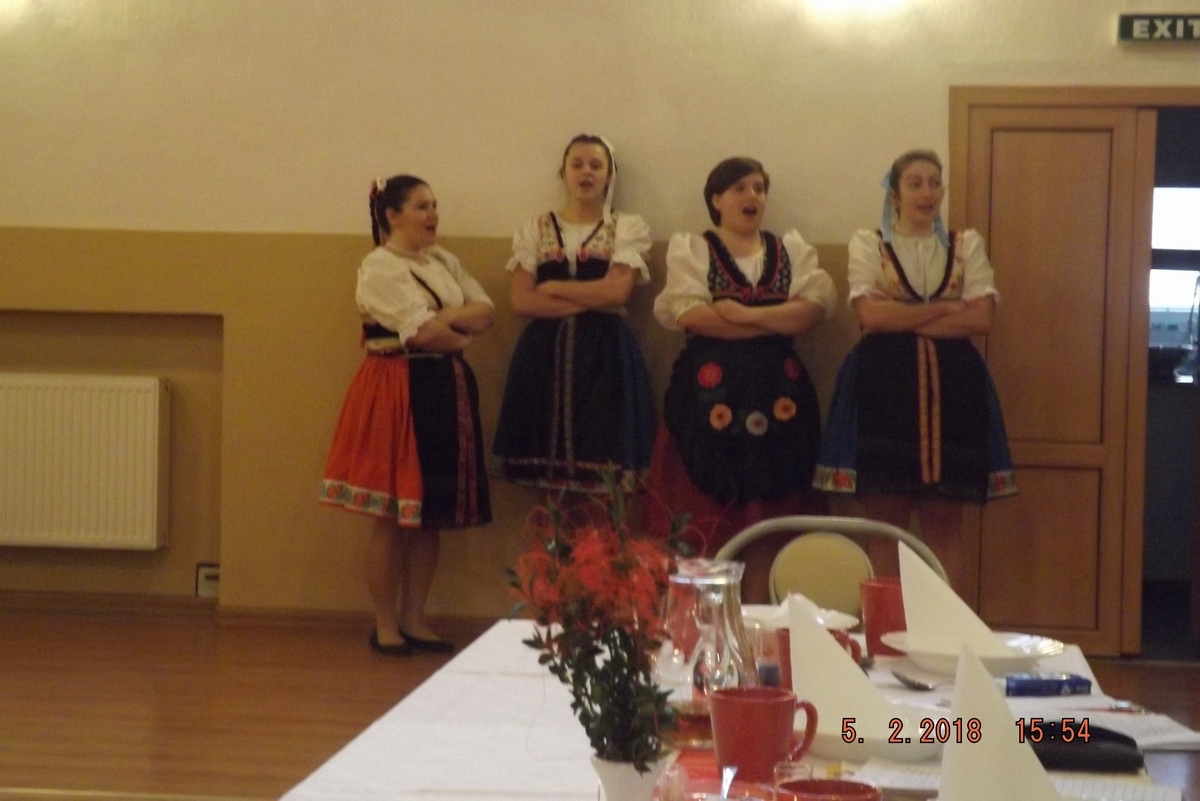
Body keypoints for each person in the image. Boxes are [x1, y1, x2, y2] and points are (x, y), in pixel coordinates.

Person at [813, 149, 1016, 595]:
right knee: (886, 523)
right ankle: (886, 629)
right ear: (895, 194)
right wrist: (947, 308)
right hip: (885, 388)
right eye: (915, 183)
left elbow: (981, 319)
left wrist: (902, 316)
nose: (927, 192)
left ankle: (947, 629)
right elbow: (872, 317)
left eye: (934, 183)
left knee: (944, 523)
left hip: (954, 391)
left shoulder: (967, 244)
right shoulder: (869, 244)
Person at [646, 157, 836, 602]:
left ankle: (755, 620)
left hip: (779, 399)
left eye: (759, 188)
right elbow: (691, 316)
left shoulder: (790, 251)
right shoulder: (694, 249)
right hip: (707, 398)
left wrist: (739, 314)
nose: (753, 196)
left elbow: (812, 312)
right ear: (716, 199)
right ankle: (708, 623)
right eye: (740, 188)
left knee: (767, 522)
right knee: (706, 519)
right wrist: (773, 320)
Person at [321, 175, 494, 656]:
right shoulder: (379, 267)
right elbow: (421, 335)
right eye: (421, 206)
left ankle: (415, 617)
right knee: (393, 516)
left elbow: (485, 311)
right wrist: (454, 331)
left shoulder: (443, 261)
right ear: (392, 215)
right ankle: (385, 623)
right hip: (398, 389)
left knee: (429, 515)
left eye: (434, 204)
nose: (433, 214)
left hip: (445, 389)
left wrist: (443, 325)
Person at [493, 134, 655, 495]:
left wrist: (552, 287)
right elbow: (521, 302)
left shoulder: (626, 227)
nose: (586, 173)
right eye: (577, 165)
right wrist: (595, 298)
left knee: (603, 459)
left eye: (596, 165)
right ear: (563, 173)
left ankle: (600, 536)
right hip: (543, 356)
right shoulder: (535, 229)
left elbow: (618, 292)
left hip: (606, 355)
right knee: (546, 477)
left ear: (609, 175)